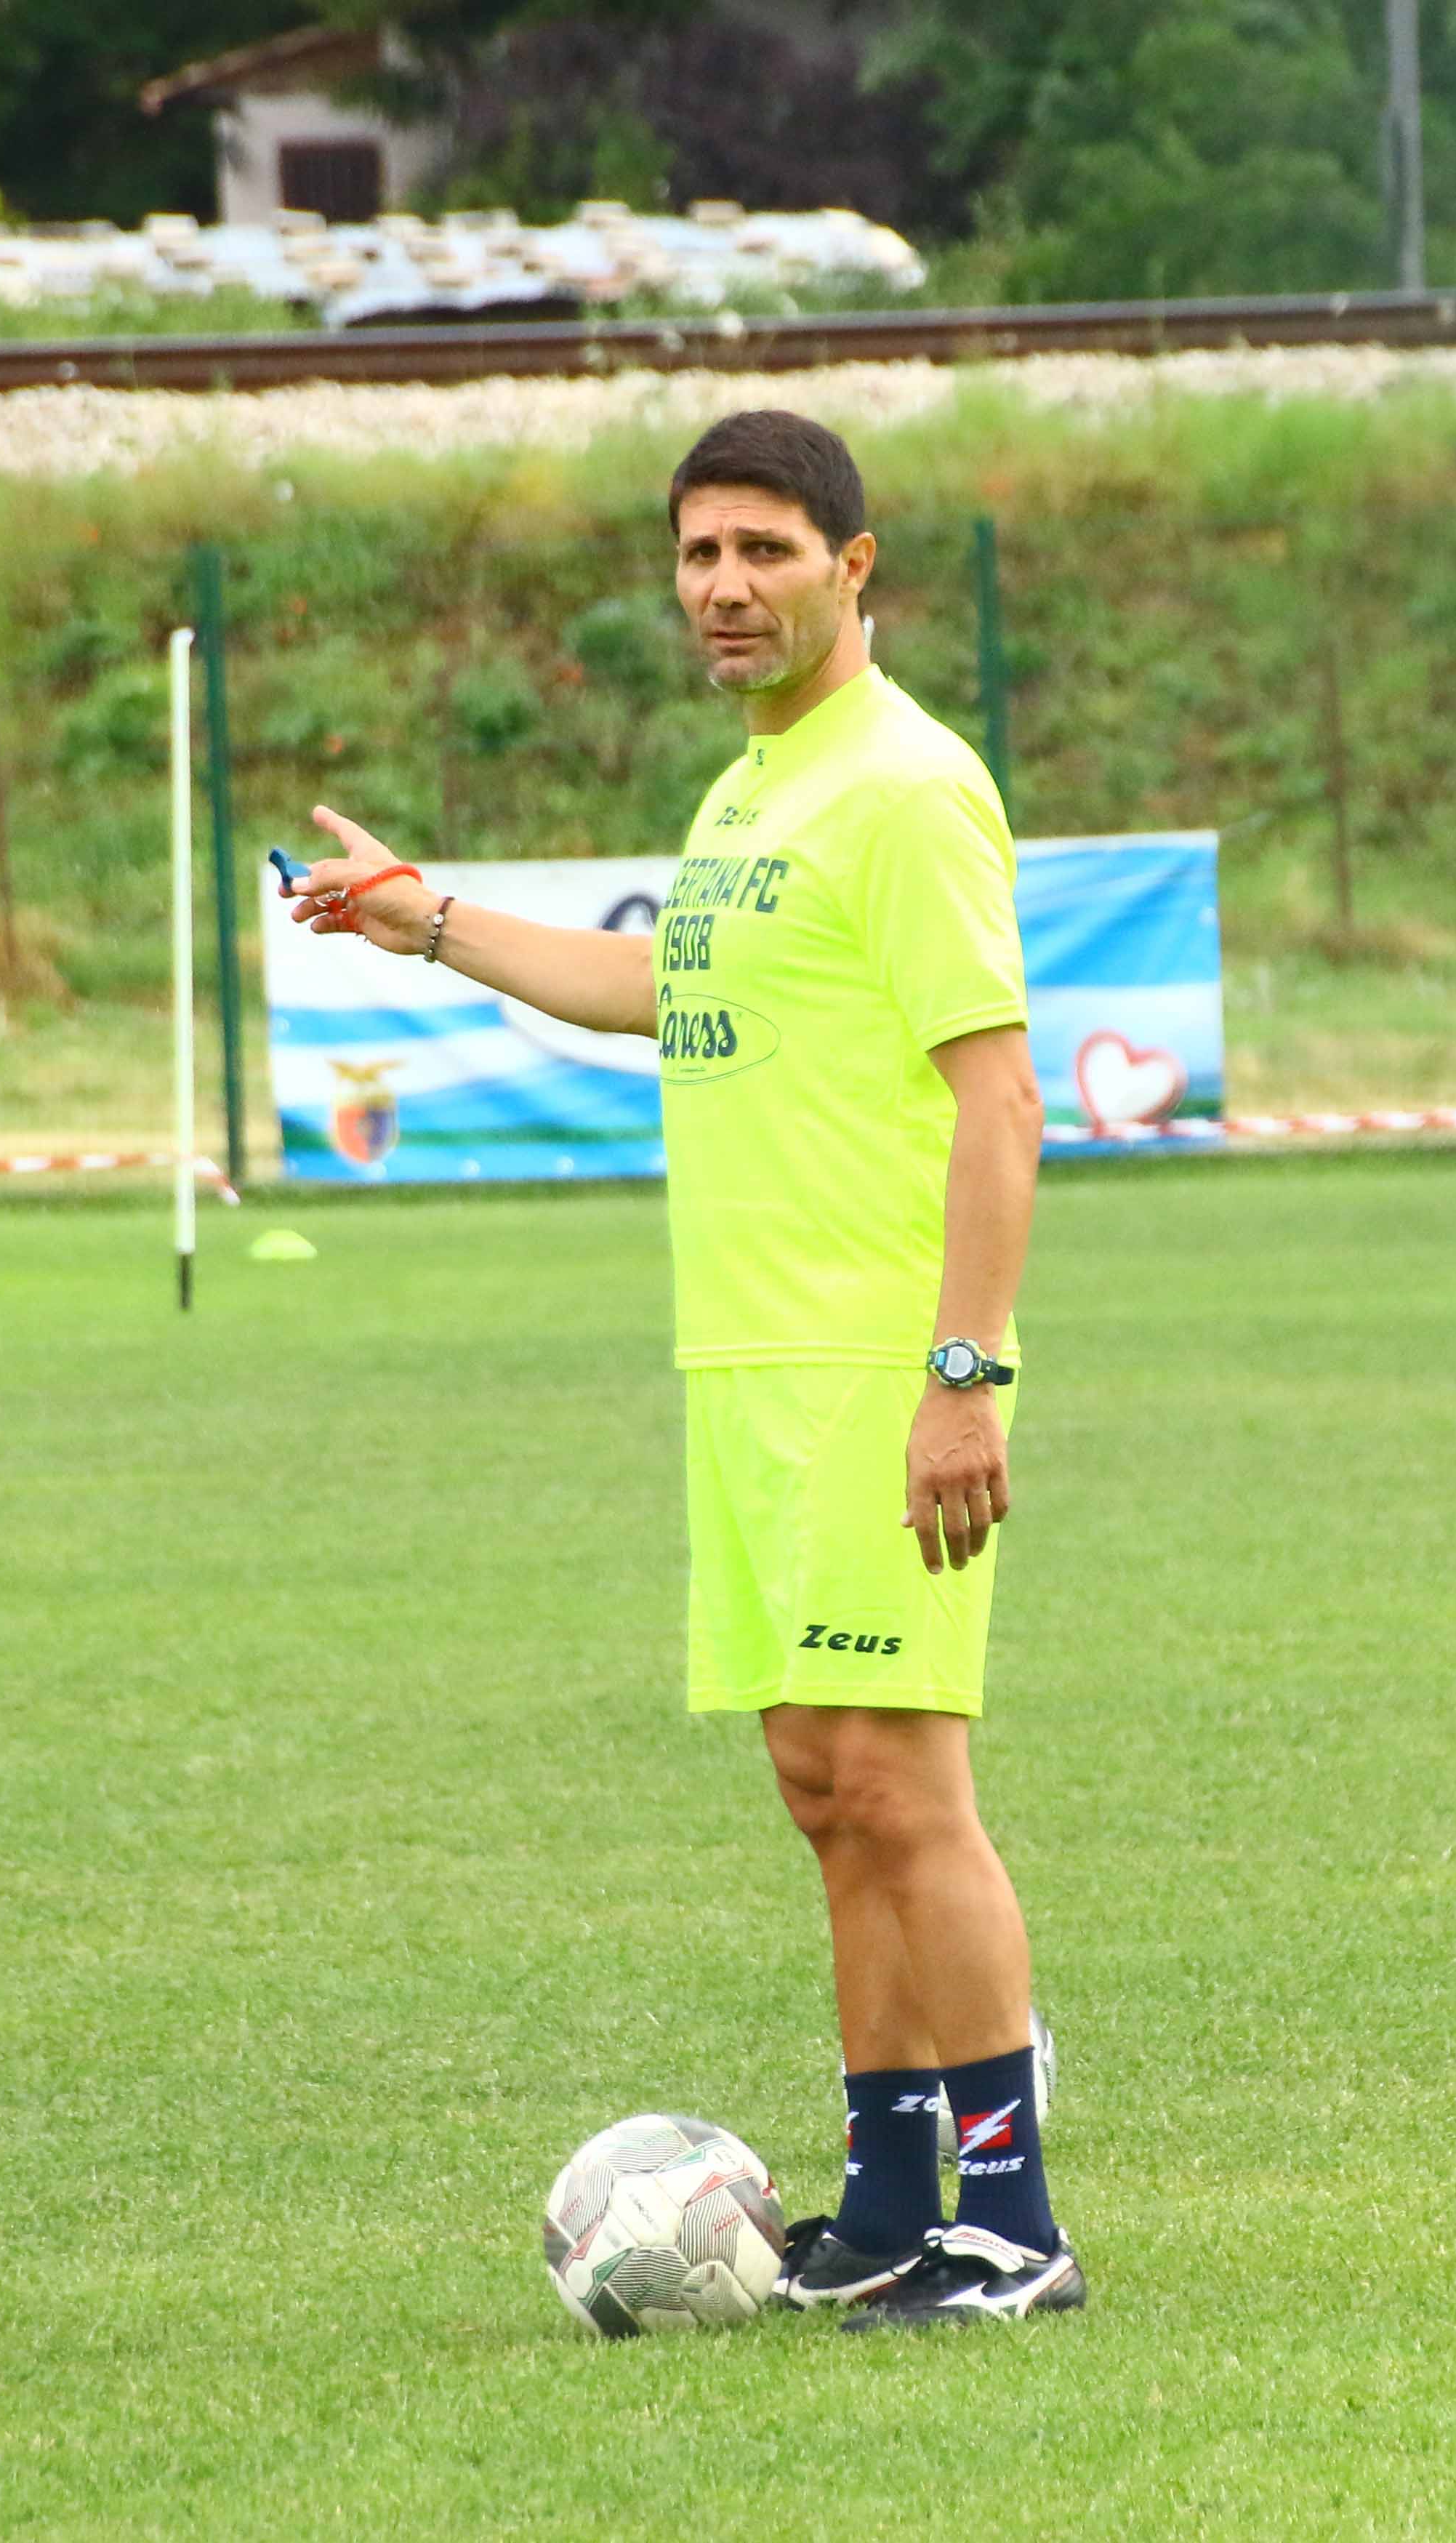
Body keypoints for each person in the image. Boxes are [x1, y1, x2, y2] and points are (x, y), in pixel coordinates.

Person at [282, 409, 1082, 2329]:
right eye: (698, 556)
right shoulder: (750, 793)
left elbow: (999, 1099)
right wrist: (434, 922)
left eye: (765, 553)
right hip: (747, 1365)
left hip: (876, 1358)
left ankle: (1010, 2220)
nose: (724, 588)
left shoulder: (900, 786)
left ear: (852, 568)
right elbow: (670, 992)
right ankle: (889, 2199)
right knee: (822, 1784)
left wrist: (960, 1368)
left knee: (904, 1783)